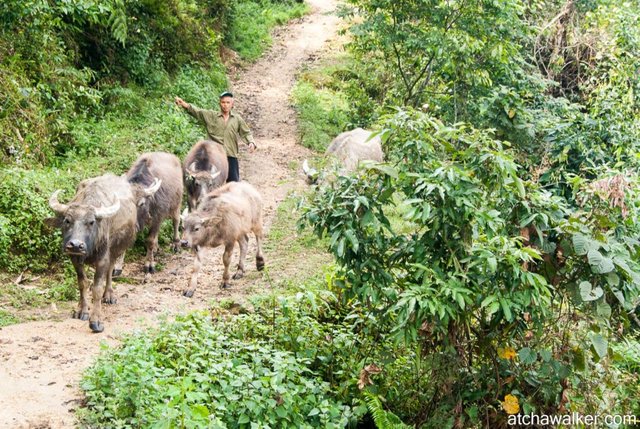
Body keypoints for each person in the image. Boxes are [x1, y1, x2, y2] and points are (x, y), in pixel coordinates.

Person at [175, 91, 257, 182]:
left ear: (232, 104)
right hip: (213, 157)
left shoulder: (237, 119)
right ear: (219, 103)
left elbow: (246, 132)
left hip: (230, 155)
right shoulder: (211, 116)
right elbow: (197, 112)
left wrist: (251, 142)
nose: (225, 105)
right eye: (223, 102)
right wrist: (184, 104)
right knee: (211, 182)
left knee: (234, 183)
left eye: (228, 102)